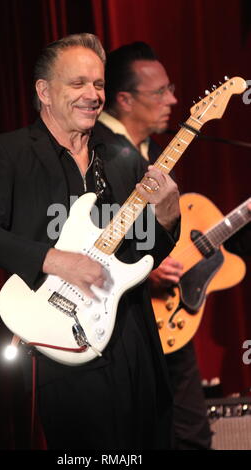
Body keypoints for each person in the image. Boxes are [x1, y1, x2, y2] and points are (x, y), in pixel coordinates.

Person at [0, 33, 181, 450]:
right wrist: (56, 260)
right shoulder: (8, 154)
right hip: (63, 340)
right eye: (77, 84)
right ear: (44, 91)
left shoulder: (121, 156)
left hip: (135, 340)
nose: (92, 95)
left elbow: (146, 251)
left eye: (98, 84)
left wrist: (167, 214)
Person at [95, 41, 251, 450]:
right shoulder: (95, 156)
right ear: (124, 100)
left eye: (172, 88)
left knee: (191, 436)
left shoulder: (157, 153)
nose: (174, 100)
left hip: (169, 324)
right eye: (160, 92)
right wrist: (146, 268)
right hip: (116, 327)